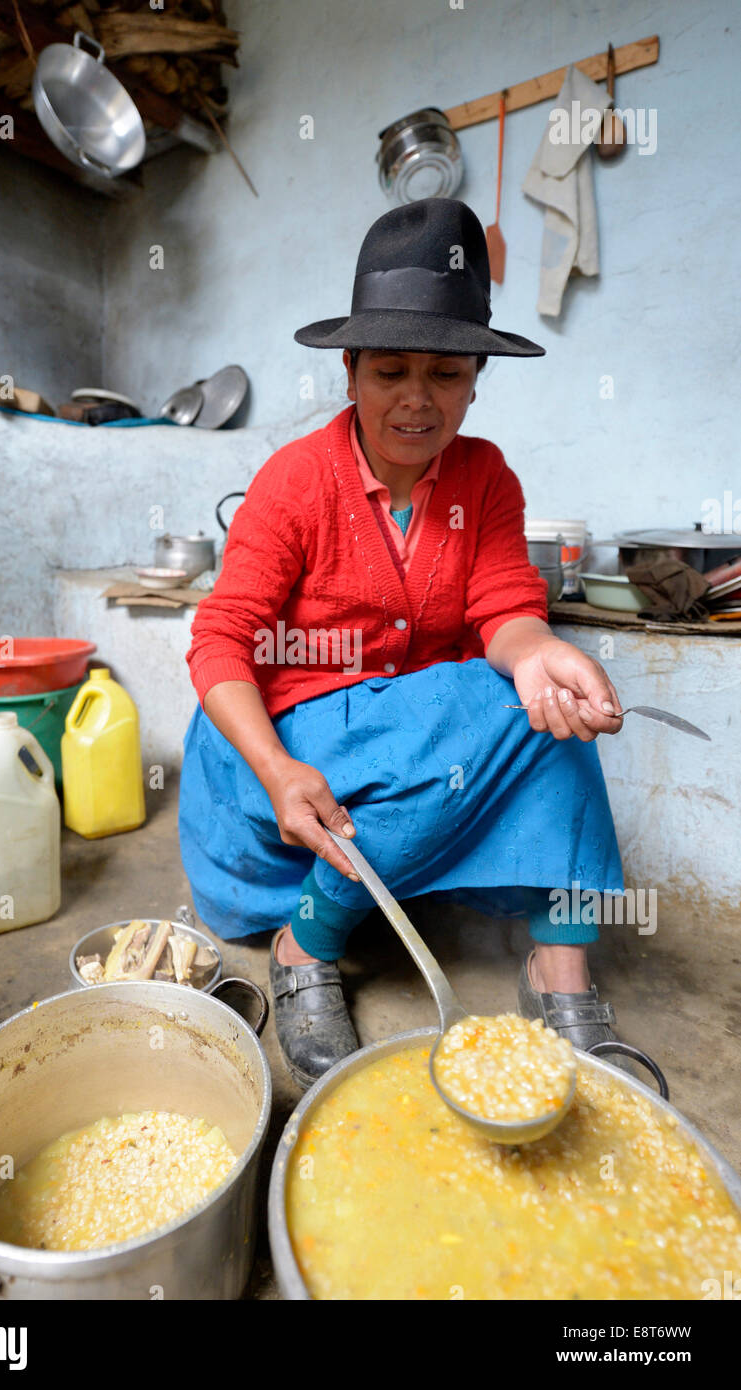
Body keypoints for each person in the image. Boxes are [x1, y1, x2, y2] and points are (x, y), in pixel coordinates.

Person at [179, 198, 629, 1090]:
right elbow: (220, 643)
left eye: (447, 372)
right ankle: (303, 944)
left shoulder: (485, 475)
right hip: (285, 748)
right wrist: (275, 770)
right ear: (349, 372)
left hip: (405, 754)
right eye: (390, 371)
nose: (419, 399)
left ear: (473, 378)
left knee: (553, 711)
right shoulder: (297, 480)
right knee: (479, 706)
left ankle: (558, 966)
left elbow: (505, 604)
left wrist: (537, 649)